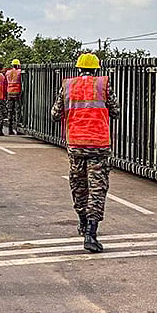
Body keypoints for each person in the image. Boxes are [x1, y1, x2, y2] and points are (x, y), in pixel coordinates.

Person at [50, 53, 121, 254]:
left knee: (79, 185)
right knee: (97, 188)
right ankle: (91, 233)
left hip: (76, 144)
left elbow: (55, 115)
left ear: (78, 68)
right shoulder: (103, 85)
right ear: (96, 69)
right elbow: (115, 111)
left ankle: (82, 223)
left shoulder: (68, 86)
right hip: (98, 144)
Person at [6, 59, 23, 135]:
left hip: (9, 92)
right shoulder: (19, 72)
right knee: (17, 111)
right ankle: (17, 129)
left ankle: (9, 129)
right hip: (17, 93)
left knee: (10, 111)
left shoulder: (8, 72)